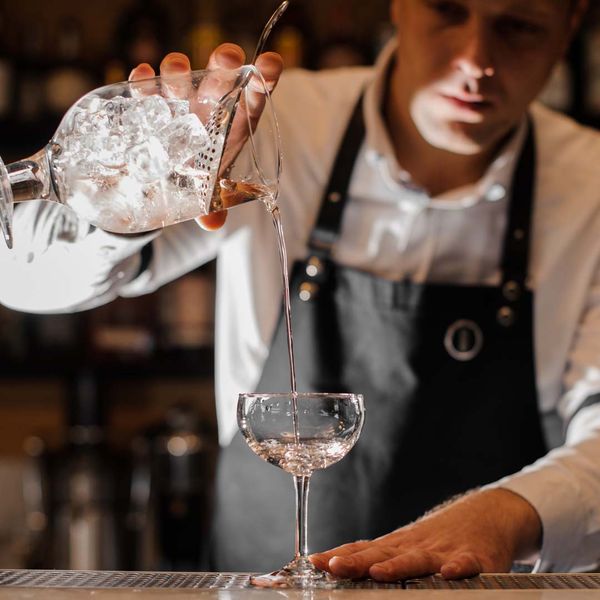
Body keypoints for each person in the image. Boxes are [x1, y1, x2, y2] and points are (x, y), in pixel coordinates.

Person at [2, 0, 600, 580]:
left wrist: (503, 517)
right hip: (261, 581)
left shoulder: (588, 185)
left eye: (518, 26)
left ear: (571, 23)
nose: (475, 58)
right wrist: (115, 206)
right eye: (446, 9)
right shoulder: (272, 123)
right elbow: (21, 278)